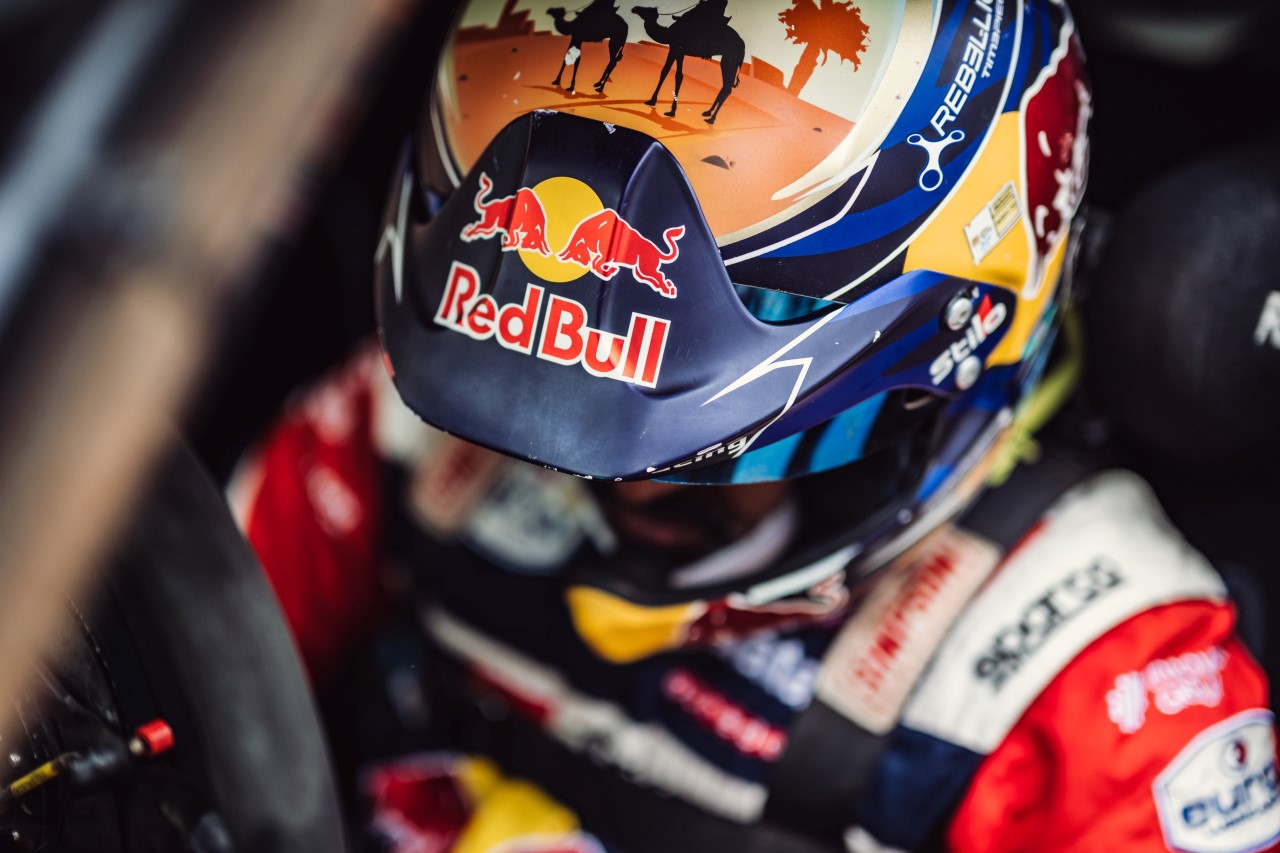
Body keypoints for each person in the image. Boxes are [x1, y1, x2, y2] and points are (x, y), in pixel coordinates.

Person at [230, 0, 1280, 850]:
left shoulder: (1094, 677)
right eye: (560, 393)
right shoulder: (415, 421)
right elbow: (187, 654)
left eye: (729, 445)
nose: (630, 481)